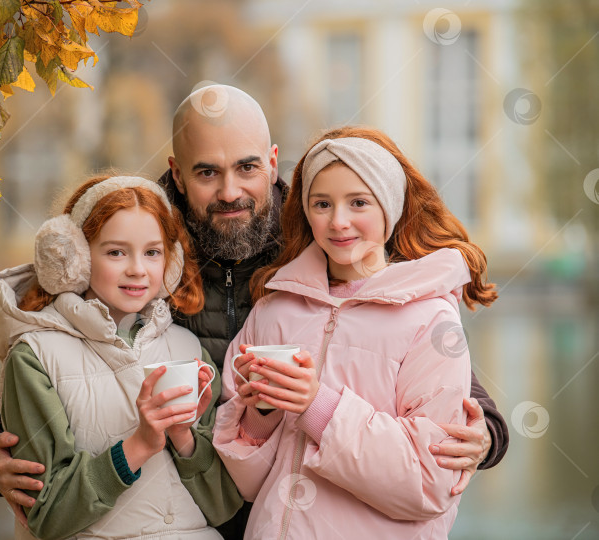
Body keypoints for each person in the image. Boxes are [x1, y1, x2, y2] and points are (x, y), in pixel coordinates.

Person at [0, 86, 509, 536]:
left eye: (247, 168)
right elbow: (62, 344)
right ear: (177, 174)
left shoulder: (320, 235)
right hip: (174, 514)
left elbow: (408, 322)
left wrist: (483, 425)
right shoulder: (143, 244)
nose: (231, 191)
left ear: (271, 162)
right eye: (207, 173)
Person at [212, 126, 498, 539]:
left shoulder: (431, 320)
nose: (338, 221)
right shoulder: (273, 309)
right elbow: (248, 484)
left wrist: (318, 407)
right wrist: (260, 417)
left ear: (390, 207)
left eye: (359, 202)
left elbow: (429, 483)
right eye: (322, 203)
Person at [0, 175, 243, 539]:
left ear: (169, 262)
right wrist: (139, 445)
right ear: (75, 257)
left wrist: (183, 438)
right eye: (116, 252)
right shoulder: (35, 356)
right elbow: (46, 516)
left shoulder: (189, 349)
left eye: (152, 252)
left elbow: (222, 506)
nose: (137, 269)